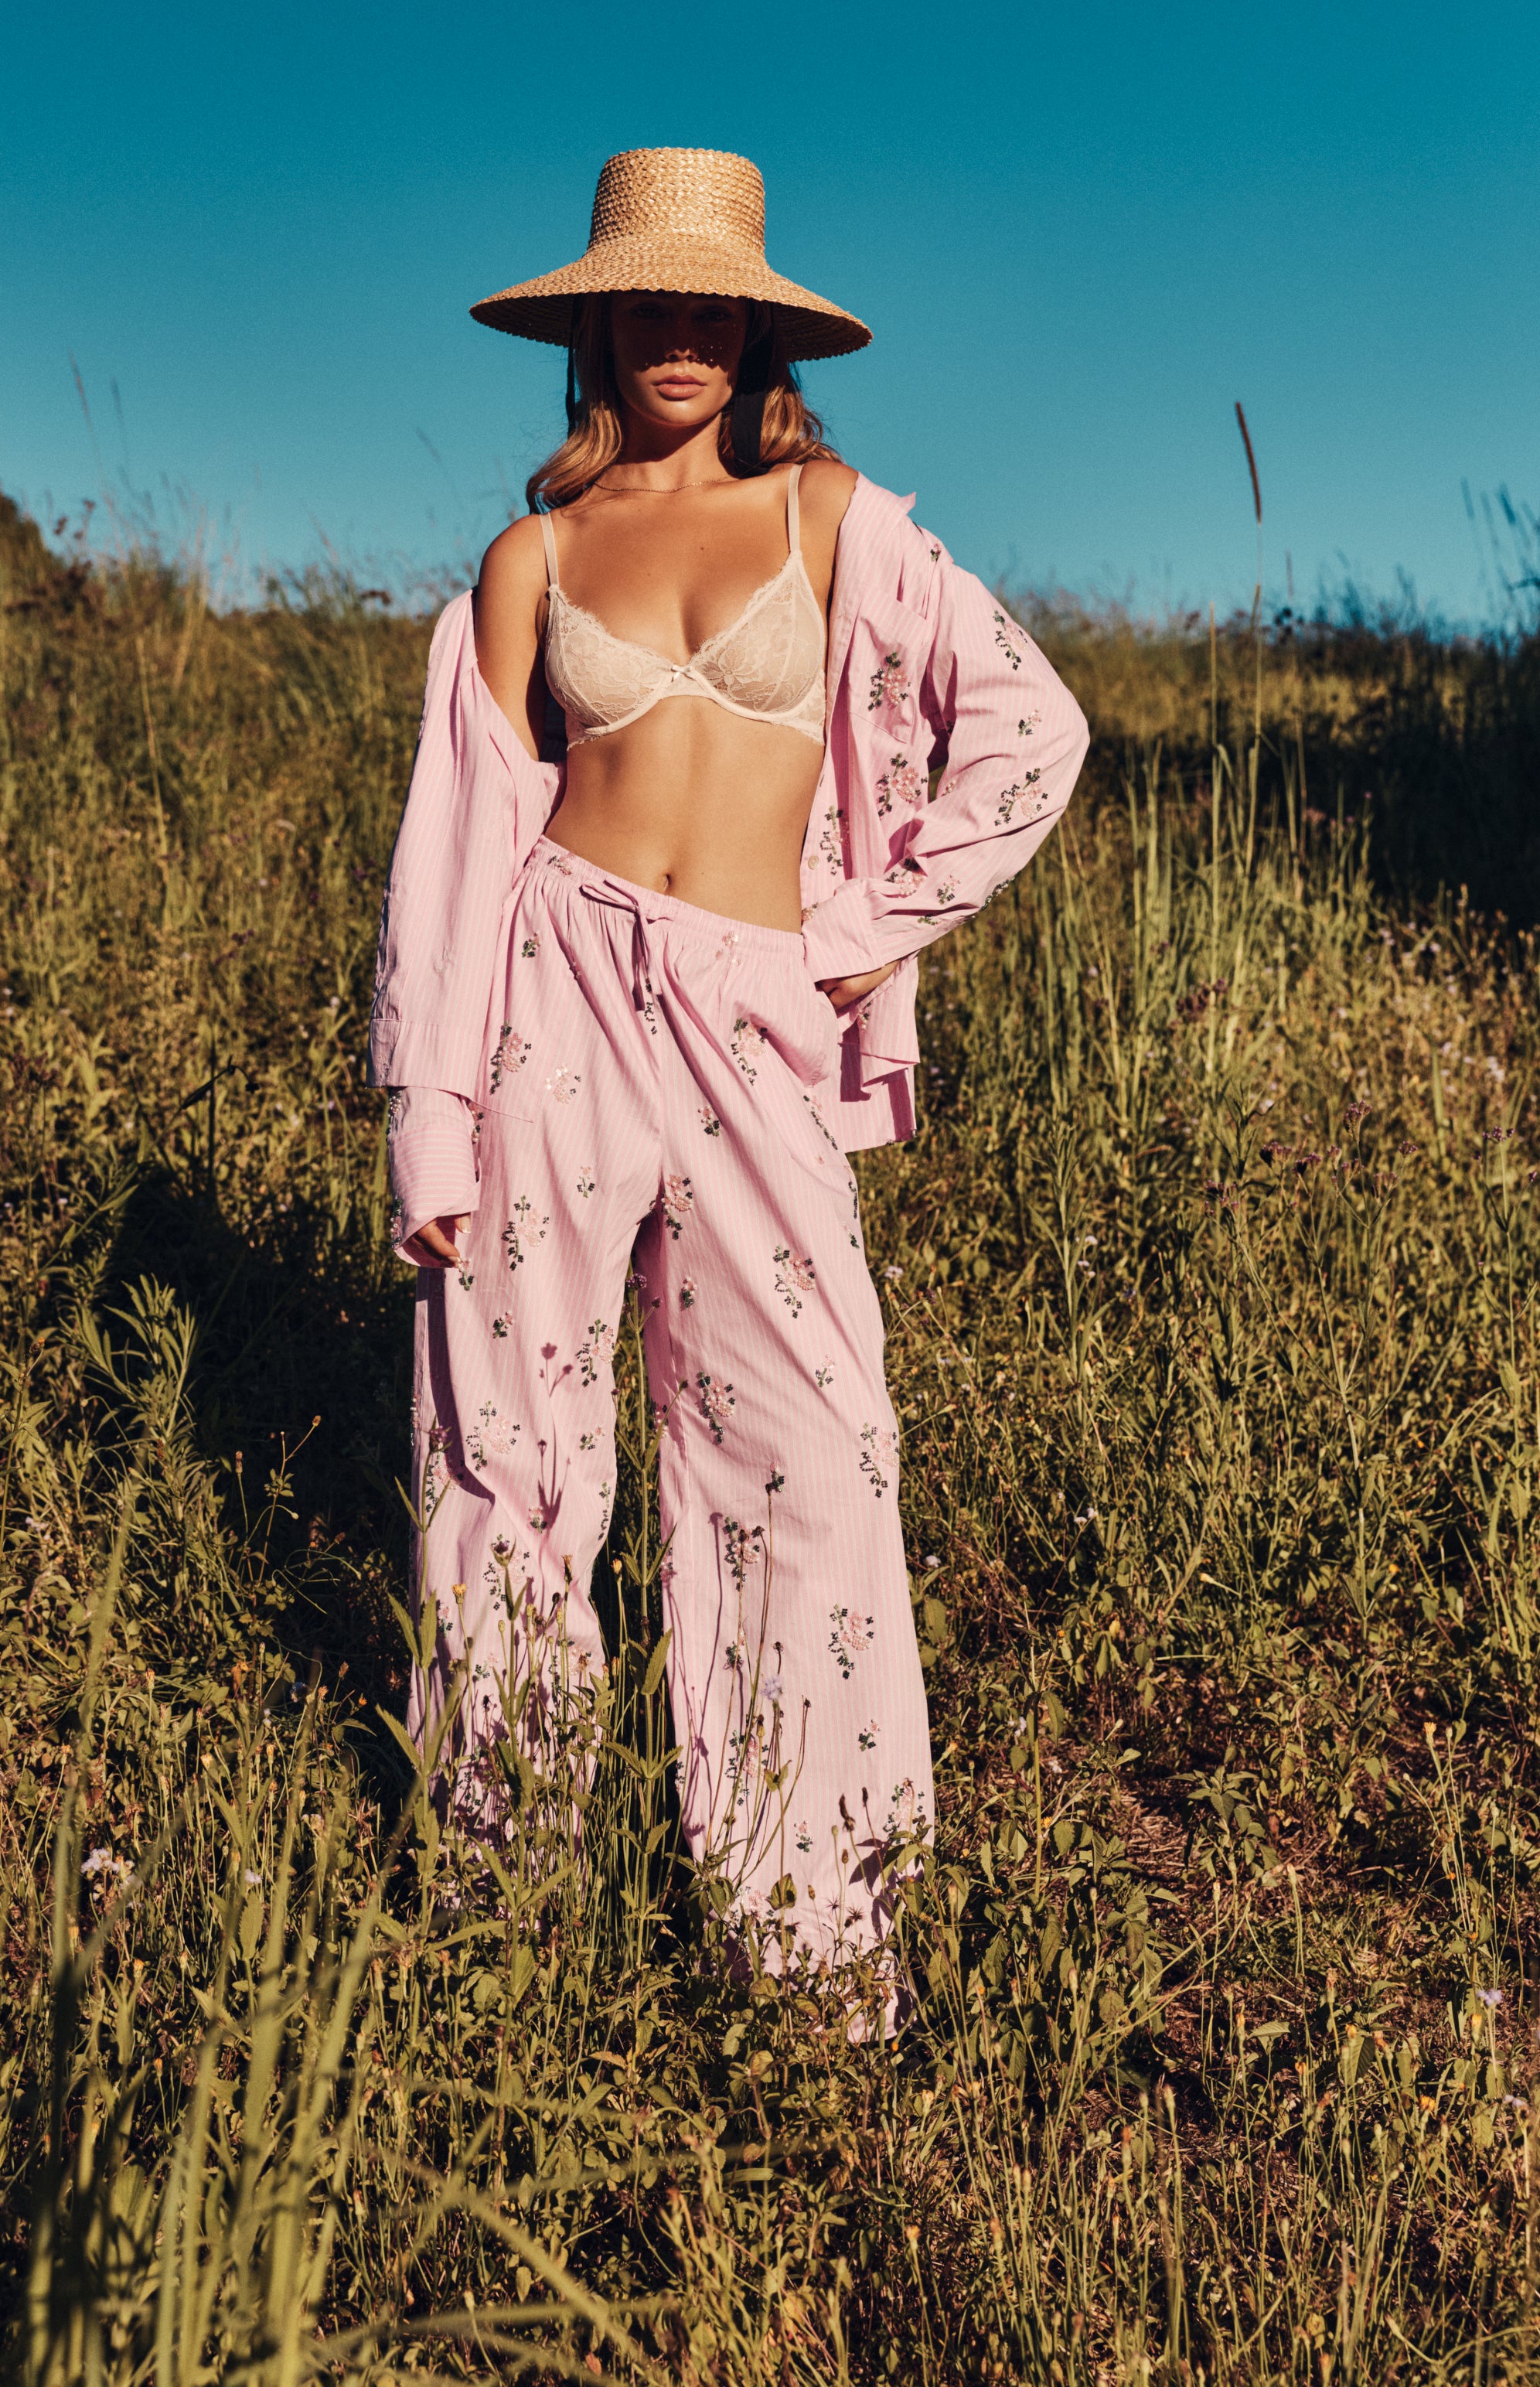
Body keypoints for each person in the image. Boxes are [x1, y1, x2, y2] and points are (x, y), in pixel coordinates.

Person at [370, 146, 1088, 1967]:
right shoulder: (532, 557)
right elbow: (457, 850)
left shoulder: (833, 520)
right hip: (550, 998)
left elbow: (1032, 730)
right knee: (507, 1455)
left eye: (713, 306)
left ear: (760, 334)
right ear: (598, 327)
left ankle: (809, 1948)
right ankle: (503, 1919)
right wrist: (431, 1121)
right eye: (647, 303)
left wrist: (847, 936)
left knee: (814, 1450)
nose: (678, 334)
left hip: (755, 1011)